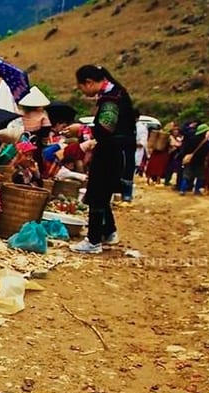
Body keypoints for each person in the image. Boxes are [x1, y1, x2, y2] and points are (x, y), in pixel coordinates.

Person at [70, 65, 135, 254]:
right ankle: (109, 231)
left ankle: (93, 240)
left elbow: (106, 127)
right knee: (104, 193)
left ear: (89, 82)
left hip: (110, 151)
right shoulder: (117, 92)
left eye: (81, 87)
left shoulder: (111, 99)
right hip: (117, 150)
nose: (82, 91)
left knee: (97, 193)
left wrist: (81, 130)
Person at [179, 123, 209, 196]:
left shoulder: (191, 139)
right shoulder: (205, 142)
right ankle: (196, 190)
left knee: (186, 175)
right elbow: (206, 152)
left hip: (189, 160)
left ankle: (182, 190)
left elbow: (185, 149)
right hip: (200, 161)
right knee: (200, 176)